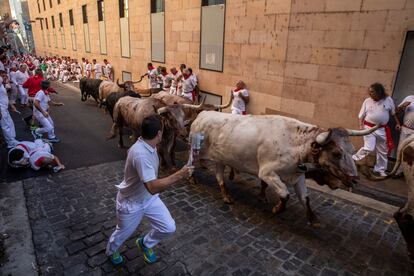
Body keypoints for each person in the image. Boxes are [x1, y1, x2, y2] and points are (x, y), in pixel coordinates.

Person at [105, 115, 194, 265]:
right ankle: (111, 251)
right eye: (162, 132)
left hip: (149, 199)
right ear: (158, 134)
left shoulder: (149, 145)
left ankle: (145, 243)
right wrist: (180, 174)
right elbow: (152, 187)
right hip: (131, 202)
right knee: (122, 233)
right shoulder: (140, 153)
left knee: (168, 227)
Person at [352, 83, 400, 177]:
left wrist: (398, 123)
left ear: (379, 92)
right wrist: (360, 125)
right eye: (369, 92)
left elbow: (393, 113)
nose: (370, 94)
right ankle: (353, 159)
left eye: (372, 92)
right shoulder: (367, 101)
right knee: (369, 147)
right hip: (369, 128)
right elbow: (361, 115)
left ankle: (380, 169)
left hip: (382, 129)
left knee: (383, 150)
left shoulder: (388, 100)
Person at [394, 94, 414, 176]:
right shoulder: (409, 98)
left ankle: (405, 173)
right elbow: (396, 111)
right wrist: (402, 106)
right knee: (400, 150)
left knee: (411, 153)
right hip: (405, 129)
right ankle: (397, 171)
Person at [0, 72, 18, 148]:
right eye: (2, 76)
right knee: (5, 126)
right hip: (1, 109)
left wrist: (11, 105)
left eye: (5, 76)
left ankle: (12, 139)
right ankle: (10, 142)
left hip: (5, 107)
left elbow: (5, 96)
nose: (5, 77)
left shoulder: (2, 86)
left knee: (10, 123)